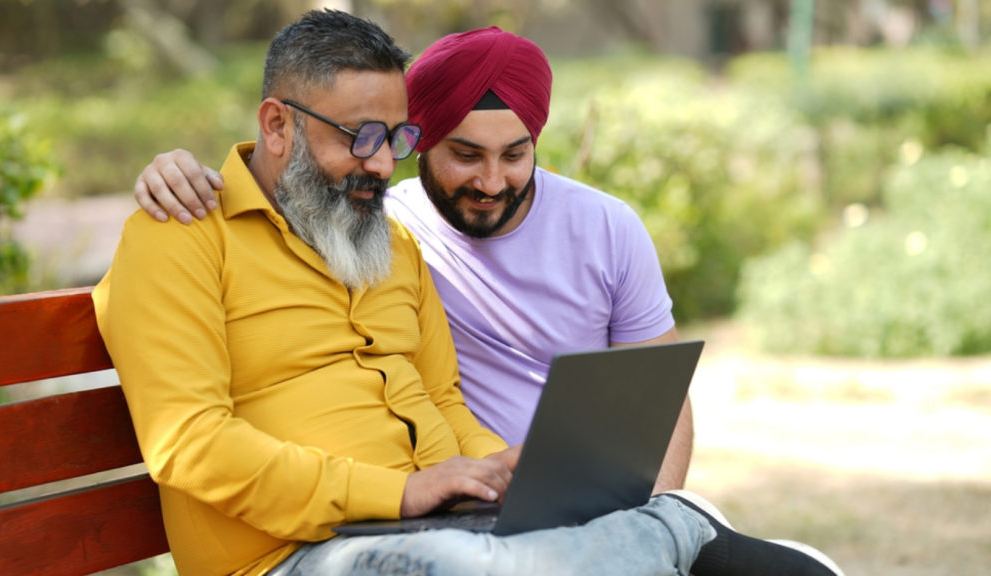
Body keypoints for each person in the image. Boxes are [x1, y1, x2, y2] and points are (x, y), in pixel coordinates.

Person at [98, 9, 845, 576]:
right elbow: (190, 445)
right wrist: (400, 494)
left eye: (397, 140)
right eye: (360, 138)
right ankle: (673, 533)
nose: (382, 167)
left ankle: (659, 529)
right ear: (278, 125)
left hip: (439, 531)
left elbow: (443, 402)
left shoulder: (387, 242)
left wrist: (507, 475)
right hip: (302, 557)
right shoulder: (180, 237)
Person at [134, 26, 693, 492]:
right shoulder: (386, 223)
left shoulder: (385, 239)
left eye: (515, 154)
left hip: (527, 497)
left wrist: (649, 508)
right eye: (467, 154)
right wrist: (177, 169)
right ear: (425, 145)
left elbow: (656, 403)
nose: (492, 181)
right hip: (383, 527)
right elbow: (189, 438)